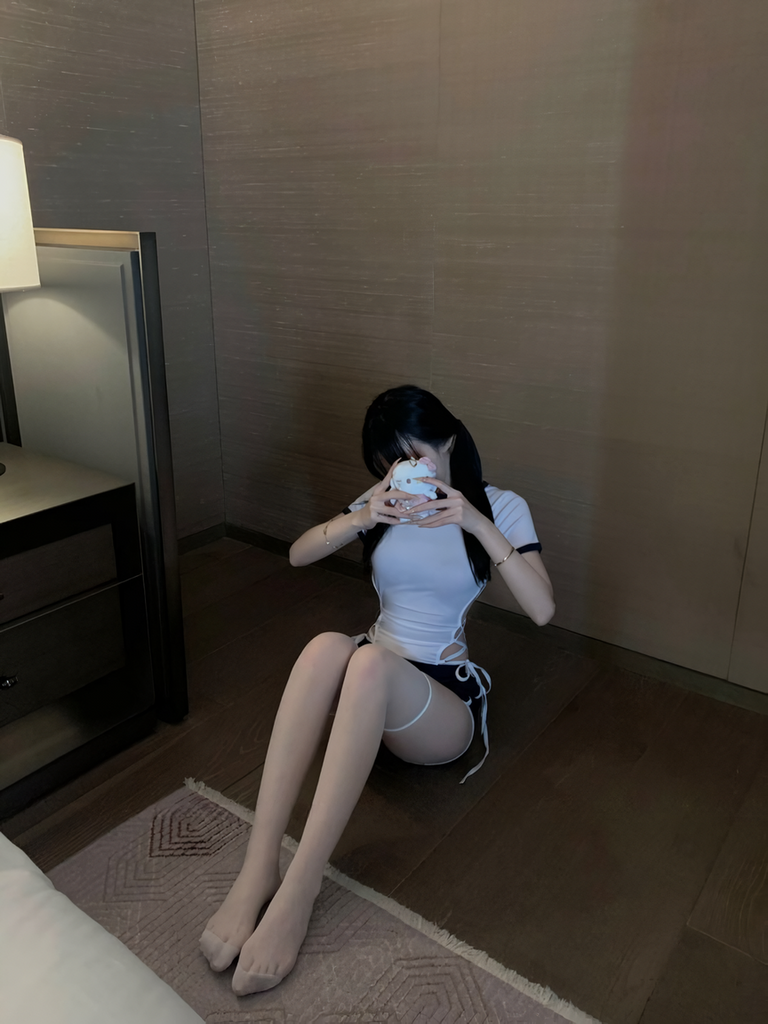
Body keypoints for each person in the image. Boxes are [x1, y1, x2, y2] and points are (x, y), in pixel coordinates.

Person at [199, 384, 555, 996]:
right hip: (372, 678)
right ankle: (258, 869)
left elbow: (543, 610)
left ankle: (301, 887)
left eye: (413, 454)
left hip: (440, 702)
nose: (405, 469)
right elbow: (297, 555)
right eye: (390, 461)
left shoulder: (500, 505)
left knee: (366, 664)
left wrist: (473, 520)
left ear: (448, 439)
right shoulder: (384, 498)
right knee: (326, 647)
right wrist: (366, 514)